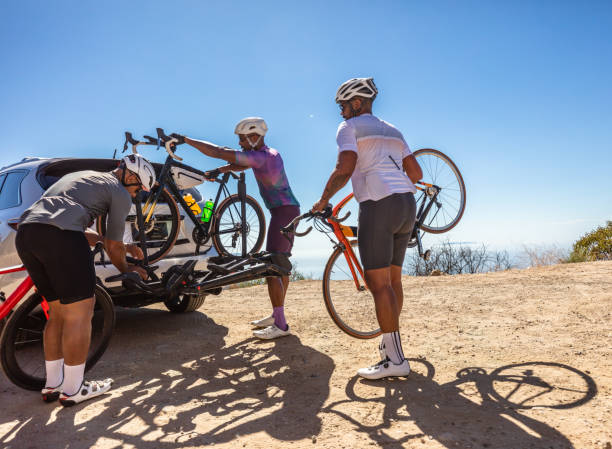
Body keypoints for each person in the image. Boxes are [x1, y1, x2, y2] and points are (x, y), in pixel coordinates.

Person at [15, 154, 154, 405]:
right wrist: (128, 270)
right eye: (138, 190)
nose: (136, 196)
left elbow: (69, 221)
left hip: (27, 233)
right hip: (61, 237)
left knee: (57, 313)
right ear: (130, 176)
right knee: (80, 314)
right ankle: (73, 389)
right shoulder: (119, 192)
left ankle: (53, 385)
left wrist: (114, 244)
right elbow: (113, 247)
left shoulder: (80, 177)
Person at [312, 78, 423, 380]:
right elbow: (416, 172)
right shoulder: (393, 129)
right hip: (406, 205)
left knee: (378, 285)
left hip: (378, 205)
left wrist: (323, 199)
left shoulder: (349, 129)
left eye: (343, 106)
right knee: (393, 282)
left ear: (357, 103)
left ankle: (396, 360)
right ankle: (391, 349)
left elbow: (344, 168)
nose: (341, 112)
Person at [173, 118, 300, 340]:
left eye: (242, 139)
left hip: (284, 213)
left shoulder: (263, 156)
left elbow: (218, 151)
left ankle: (280, 324)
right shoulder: (269, 154)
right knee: (281, 266)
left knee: (273, 268)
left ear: (255, 137)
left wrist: (185, 139)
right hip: (285, 210)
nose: (240, 144)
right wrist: (221, 169)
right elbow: (243, 163)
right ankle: (277, 313)